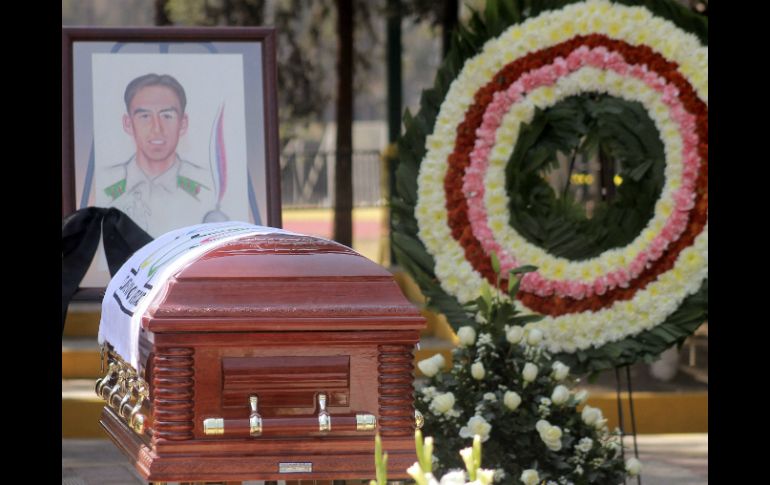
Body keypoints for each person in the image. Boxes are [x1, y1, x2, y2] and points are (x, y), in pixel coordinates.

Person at [101, 73, 217, 236]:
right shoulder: (101, 185)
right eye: (145, 116)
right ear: (128, 124)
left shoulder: (210, 188)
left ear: (183, 124)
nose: (157, 128)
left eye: (167, 116)